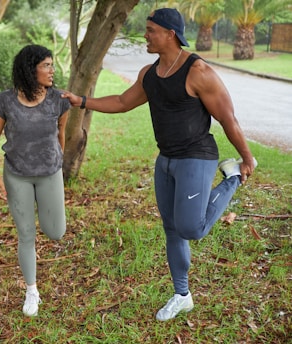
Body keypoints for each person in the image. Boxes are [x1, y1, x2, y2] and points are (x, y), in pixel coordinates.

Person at [62, 8, 257, 321]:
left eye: (151, 30)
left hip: (197, 155)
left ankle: (231, 177)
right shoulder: (149, 75)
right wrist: (81, 100)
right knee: (171, 228)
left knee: (191, 228)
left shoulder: (198, 71)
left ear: (171, 34)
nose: (146, 35)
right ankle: (182, 295)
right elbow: (123, 102)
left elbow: (226, 117)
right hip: (166, 160)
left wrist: (246, 157)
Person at [0, 44, 71, 316]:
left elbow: (62, 132)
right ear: (30, 68)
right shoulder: (5, 101)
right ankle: (31, 290)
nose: (52, 70)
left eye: (51, 64)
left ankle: (50, 217)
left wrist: (57, 162)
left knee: (55, 232)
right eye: (46, 65)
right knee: (26, 234)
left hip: (49, 173)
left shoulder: (58, 99)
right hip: (17, 175)